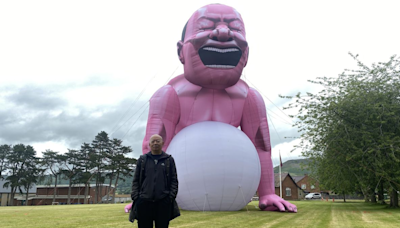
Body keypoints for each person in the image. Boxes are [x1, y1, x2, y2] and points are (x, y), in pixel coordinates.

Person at [131, 134, 178, 228]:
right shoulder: (142, 160)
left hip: (163, 202)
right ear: (149, 144)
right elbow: (136, 180)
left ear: (162, 143)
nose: (155, 143)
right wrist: (136, 197)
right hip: (144, 202)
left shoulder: (169, 160)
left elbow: (174, 180)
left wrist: (170, 197)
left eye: (158, 141)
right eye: (153, 141)